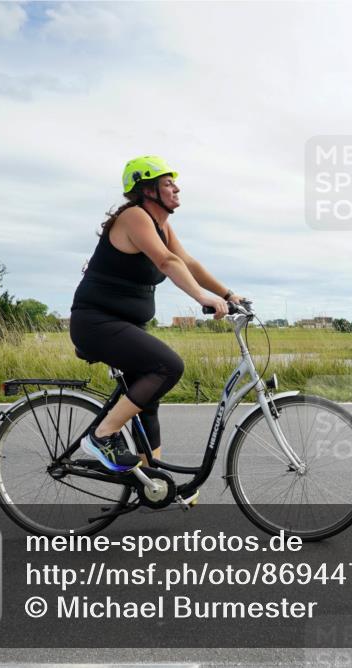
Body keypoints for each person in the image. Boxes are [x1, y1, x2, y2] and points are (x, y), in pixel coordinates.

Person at [69, 155, 243, 473]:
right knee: (169, 366)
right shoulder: (134, 217)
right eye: (167, 183)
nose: (176, 188)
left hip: (124, 324)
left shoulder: (162, 225)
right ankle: (101, 434)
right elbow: (166, 262)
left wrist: (229, 295)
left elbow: (186, 262)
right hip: (96, 322)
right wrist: (202, 297)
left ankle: (153, 482)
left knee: (147, 403)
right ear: (147, 190)